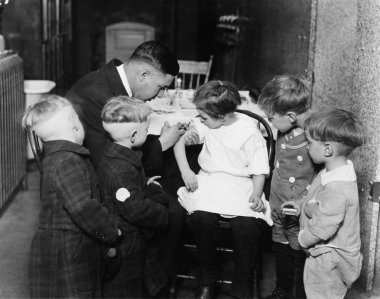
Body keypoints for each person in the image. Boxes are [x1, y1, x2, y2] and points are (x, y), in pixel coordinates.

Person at [174, 80, 272, 299]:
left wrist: (256, 194)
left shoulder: (249, 132)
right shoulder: (206, 123)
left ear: (221, 117)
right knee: (202, 219)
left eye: (204, 117)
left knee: (246, 225)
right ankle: (207, 278)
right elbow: (179, 143)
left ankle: (242, 283)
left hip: (241, 184)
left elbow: (258, 170)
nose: (201, 120)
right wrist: (185, 171)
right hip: (209, 181)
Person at [22, 95, 122, 298]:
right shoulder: (68, 161)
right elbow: (83, 207)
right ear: (74, 126)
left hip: (58, 246)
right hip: (69, 250)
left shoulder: (55, 157)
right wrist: (110, 233)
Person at [97, 96, 185, 298]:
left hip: (129, 234)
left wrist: (143, 184)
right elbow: (137, 210)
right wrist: (163, 209)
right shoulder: (121, 169)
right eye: (147, 130)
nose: (148, 133)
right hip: (128, 243)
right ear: (134, 135)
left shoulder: (114, 154)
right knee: (130, 288)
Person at [65, 40, 185, 175]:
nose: (162, 95)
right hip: (94, 177)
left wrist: (159, 139)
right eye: (161, 87)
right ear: (143, 75)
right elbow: (109, 163)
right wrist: (162, 143)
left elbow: (121, 140)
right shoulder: (96, 96)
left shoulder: (109, 81)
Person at [258, 74, 318, 299]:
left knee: (298, 249)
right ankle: (282, 290)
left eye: (271, 118)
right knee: (279, 244)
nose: (271, 123)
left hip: (298, 207)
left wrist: (305, 203)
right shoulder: (286, 125)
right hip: (278, 201)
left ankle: (297, 293)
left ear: (291, 115)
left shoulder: (314, 135)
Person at [298, 109, 366, 299]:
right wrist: (302, 205)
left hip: (329, 259)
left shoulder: (337, 188)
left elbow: (324, 227)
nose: (307, 147)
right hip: (327, 252)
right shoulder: (335, 171)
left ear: (327, 149)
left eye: (309, 143)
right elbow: (322, 203)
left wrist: (303, 239)